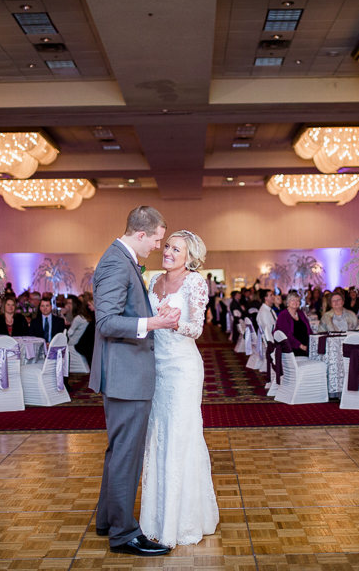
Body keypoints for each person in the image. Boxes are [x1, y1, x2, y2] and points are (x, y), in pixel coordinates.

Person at [89, 206, 180, 557]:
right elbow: (107, 322)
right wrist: (154, 324)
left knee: (119, 452)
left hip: (125, 372)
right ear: (140, 234)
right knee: (126, 454)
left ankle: (107, 520)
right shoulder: (115, 262)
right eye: (157, 239)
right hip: (126, 375)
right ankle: (124, 534)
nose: (159, 246)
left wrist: (151, 318)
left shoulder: (121, 259)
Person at [141, 230, 219, 547]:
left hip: (184, 368)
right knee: (159, 436)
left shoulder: (195, 282)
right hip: (157, 367)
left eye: (177, 249)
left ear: (189, 257)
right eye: (168, 246)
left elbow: (197, 328)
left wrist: (175, 322)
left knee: (180, 437)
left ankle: (182, 522)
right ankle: (156, 519)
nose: (169, 252)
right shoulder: (154, 281)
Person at [275, 293, 313, 357]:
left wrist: (312, 342)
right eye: (292, 300)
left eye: (297, 300)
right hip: (291, 349)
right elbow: (286, 336)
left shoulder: (300, 313)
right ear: (287, 302)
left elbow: (309, 329)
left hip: (305, 348)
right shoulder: (283, 315)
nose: (295, 302)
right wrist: (302, 346)